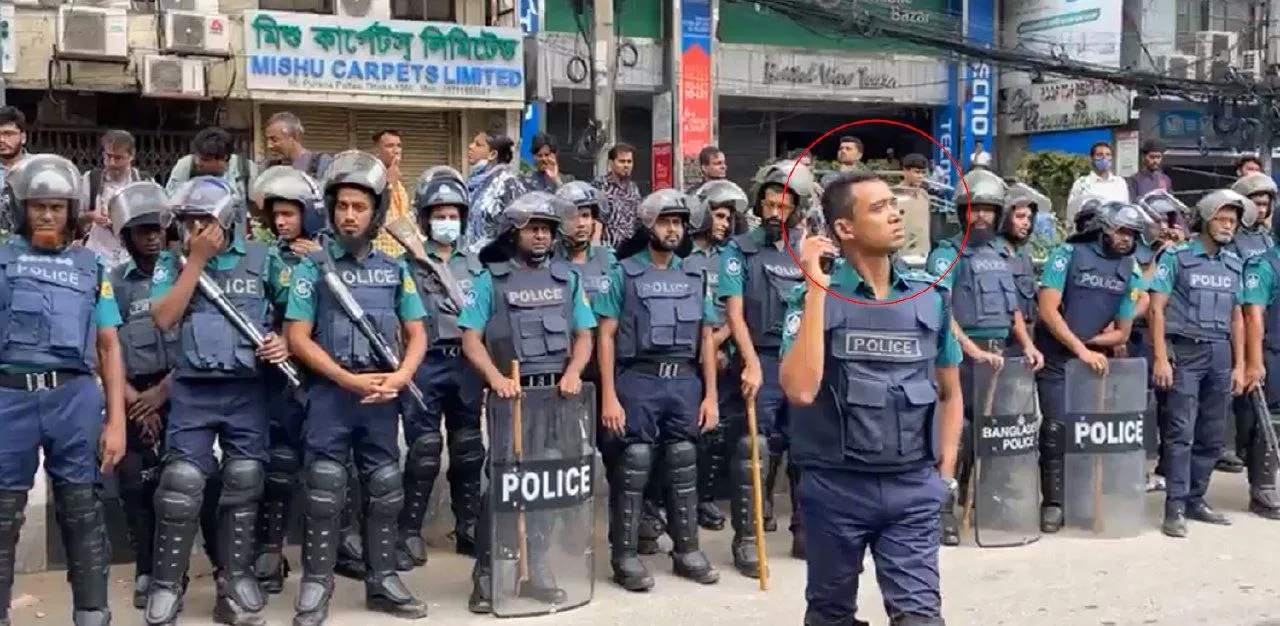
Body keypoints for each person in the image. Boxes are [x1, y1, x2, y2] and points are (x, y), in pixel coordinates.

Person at [779, 170, 963, 626]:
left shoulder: (930, 298)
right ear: (844, 229)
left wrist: (945, 475)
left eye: (893, 204)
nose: (895, 214)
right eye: (878, 207)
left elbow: (951, 391)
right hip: (835, 487)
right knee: (830, 614)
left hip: (912, 487)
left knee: (921, 617)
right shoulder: (811, 297)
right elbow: (801, 389)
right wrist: (818, 290)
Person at [283, 150, 430, 622]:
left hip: (382, 398)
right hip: (332, 394)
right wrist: (347, 379)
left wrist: (401, 378)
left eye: (360, 207)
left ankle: (382, 579)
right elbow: (297, 338)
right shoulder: (312, 268)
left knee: (385, 485)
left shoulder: (395, 271)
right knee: (326, 488)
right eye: (343, 206)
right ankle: (316, 585)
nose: (350, 215)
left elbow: (417, 334)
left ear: (376, 213)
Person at [145, 175, 290, 625]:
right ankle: (168, 585)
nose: (195, 229)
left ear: (226, 219)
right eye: (188, 222)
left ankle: (236, 580)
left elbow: (296, 314)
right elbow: (165, 318)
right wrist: (197, 261)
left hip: (246, 389)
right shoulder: (174, 263)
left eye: (204, 220)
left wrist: (282, 341)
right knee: (182, 484)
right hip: (193, 389)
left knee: (245, 480)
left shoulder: (263, 260)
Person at [0, 154, 126, 626]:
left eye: (56, 206)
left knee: (82, 510)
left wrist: (116, 422)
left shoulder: (90, 266)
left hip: (73, 398)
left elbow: (109, 347)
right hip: (8, 397)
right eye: (38, 207)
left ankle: (92, 613)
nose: (48, 215)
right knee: (2, 515)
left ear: (72, 211)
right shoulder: (3, 259)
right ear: (22, 209)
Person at [457, 191, 597, 613]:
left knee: (548, 486)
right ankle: (488, 577)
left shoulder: (566, 279)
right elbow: (470, 338)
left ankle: (538, 572)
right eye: (533, 228)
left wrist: (574, 372)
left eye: (547, 229)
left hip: (557, 397)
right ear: (513, 233)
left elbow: (585, 335)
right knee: (502, 486)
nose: (541, 236)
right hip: (512, 399)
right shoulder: (491, 280)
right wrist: (496, 378)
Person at [595, 189, 721, 591]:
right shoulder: (623, 272)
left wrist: (711, 396)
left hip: (684, 380)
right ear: (649, 225)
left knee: (684, 459)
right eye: (666, 221)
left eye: (679, 222)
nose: (673, 229)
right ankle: (626, 556)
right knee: (633, 462)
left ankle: (686, 551)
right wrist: (610, 395)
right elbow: (606, 337)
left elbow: (706, 340)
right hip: (638, 380)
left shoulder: (693, 274)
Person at [107, 182, 221, 610]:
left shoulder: (188, 271)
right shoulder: (116, 283)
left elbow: (203, 337)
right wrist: (136, 400)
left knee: (201, 482)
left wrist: (163, 392)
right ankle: (147, 570)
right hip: (131, 394)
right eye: (141, 231)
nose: (153, 237)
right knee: (136, 485)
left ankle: (222, 565)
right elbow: (107, 345)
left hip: (183, 389)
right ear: (126, 237)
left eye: (158, 229)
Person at [929, 169, 1043, 545]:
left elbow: (1013, 311)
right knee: (955, 436)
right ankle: (943, 509)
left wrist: (1026, 344)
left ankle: (986, 501)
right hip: (960, 357)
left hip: (1000, 358)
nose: (981, 216)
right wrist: (973, 350)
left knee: (994, 436)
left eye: (988, 210)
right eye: (974, 209)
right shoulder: (946, 253)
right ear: (962, 212)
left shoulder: (1000, 254)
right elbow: (942, 309)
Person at [1032, 201, 1152, 532]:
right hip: (1057, 357)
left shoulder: (1129, 268)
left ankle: (1083, 500)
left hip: (1095, 360)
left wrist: (1094, 343)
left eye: (1133, 234)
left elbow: (1123, 331)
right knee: (1056, 429)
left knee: (1088, 433)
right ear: (1103, 229)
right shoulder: (1066, 254)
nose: (1127, 239)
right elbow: (1048, 310)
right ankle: (1053, 503)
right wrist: (1079, 347)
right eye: (1122, 231)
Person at [718, 159, 816, 558]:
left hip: (802, 361)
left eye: (784, 205)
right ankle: (748, 538)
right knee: (754, 451)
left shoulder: (810, 252)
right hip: (761, 358)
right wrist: (751, 363)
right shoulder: (737, 251)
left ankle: (804, 531)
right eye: (770, 203)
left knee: (807, 451)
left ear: (798, 207)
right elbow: (735, 314)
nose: (776, 211)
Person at [396, 166, 487, 567]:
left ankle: (468, 526)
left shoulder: (476, 265)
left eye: (453, 215)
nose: (446, 222)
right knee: (424, 451)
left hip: (466, 364)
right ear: (425, 219)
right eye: (439, 215)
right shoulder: (407, 263)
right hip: (425, 365)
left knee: (468, 450)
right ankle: (409, 531)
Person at [1148, 188, 1251, 537]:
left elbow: (1238, 318)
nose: (1228, 227)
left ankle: (1195, 497)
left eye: (1233, 222)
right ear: (1205, 220)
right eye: (1222, 220)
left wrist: (1239, 365)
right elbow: (1156, 309)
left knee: (1212, 433)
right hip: (1184, 353)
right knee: (1181, 432)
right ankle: (1174, 505)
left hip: (1220, 353)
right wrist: (1160, 357)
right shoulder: (1176, 257)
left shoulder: (1234, 263)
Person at [247, 165, 325, 594]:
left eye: (290, 215)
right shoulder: (266, 258)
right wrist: (275, 339)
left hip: (326, 375)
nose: (280, 222)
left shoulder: (328, 254)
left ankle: (329, 557)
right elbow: (257, 308)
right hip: (279, 377)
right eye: (275, 215)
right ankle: (270, 553)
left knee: (328, 470)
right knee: (277, 467)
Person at [687, 179, 748, 532]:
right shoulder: (685, 256)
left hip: (725, 349)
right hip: (690, 351)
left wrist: (721, 341)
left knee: (719, 430)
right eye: (719, 215)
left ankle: (706, 497)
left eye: (729, 218)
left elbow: (739, 307)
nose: (725, 223)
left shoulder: (732, 258)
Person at [1218, 173, 1279, 475]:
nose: (1262, 209)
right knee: (1234, 386)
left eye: (1266, 204)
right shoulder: (1232, 239)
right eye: (1256, 203)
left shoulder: (1267, 239)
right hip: (1235, 317)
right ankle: (1227, 444)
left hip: (1263, 325)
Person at [1240, 203, 1280, 521]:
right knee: (1266, 424)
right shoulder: (1265, 265)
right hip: (1272, 351)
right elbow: (1254, 316)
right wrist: (1254, 362)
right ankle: (1263, 489)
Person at [80, 130, 152, 269]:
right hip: (97, 255)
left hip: (133, 258)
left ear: (131, 156)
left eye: (118, 158)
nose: (112, 163)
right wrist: (92, 216)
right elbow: (75, 217)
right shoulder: (91, 179)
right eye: (108, 156)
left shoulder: (145, 181)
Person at [1000, 183, 1049, 351]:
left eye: (1029, 218)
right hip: (1003, 338)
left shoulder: (1023, 253)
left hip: (1026, 337)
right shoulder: (993, 251)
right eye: (1020, 217)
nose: (1026, 223)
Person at [463, 131, 527, 253]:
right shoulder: (473, 182)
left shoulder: (508, 183)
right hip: (469, 257)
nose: (471, 146)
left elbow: (517, 225)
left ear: (492, 154)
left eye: (478, 144)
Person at [165, 127, 258, 208]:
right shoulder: (186, 165)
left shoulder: (246, 168)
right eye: (197, 156)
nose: (198, 162)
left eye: (205, 160)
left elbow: (256, 208)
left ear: (223, 158)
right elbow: (170, 202)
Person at [1066, 141, 1131, 224]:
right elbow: (1072, 215)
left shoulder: (1120, 182)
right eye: (1099, 155)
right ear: (1092, 158)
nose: (1104, 158)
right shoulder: (1082, 183)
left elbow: (1126, 210)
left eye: (1108, 155)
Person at [595, 143, 644, 247]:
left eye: (629, 162)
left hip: (629, 250)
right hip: (607, 249)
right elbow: (595, 220)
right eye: (622, 161)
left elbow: (638, 220)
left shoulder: (633, 189)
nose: (626, 165)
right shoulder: (600, 185)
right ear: (611, 163)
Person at [371, 129, 409, 258]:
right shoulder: (370, 177)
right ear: (377, 151)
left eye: (398, 145)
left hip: (400, 251)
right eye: (390, 146)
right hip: (379, 250)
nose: (396, 150)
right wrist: (389, 183)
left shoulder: (399, 183)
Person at [262, 112, 333, 177]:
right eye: (267, 140)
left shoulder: (322, 164)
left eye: (274, 140)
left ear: (295, 136)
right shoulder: (268, 167)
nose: (269, 146)